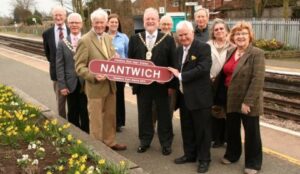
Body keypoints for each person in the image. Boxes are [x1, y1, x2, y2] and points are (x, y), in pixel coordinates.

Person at [75, 8, 126, 151]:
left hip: (110, 86)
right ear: (92, 23)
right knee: (96, 120)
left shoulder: (108, 38)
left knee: (110, 117)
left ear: (106, 23)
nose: (99, 25)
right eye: (96, 23)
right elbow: (79, 67)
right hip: (95, 88)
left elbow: (110, 59)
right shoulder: (84, 40)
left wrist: (116, 59)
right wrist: (93, 76)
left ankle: (110, 142)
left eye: (102, 23)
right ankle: (97, 149)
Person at [128, 7, 177, 156]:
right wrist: (133, 83)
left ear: (158, 22)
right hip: (143, 87)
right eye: (147, 19)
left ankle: (166, 143)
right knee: (144, 115)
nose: (150, 21)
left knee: (164, 116)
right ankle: (145, 141)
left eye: (153, 19)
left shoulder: (168, 39)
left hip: (162, 87)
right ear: (143, 22)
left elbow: (173, 64)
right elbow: (130, 63)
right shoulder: (135, 39)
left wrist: (171, 86)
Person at [219, 21, 265, 174]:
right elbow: (226, 72)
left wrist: (248, 102)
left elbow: (257, 79)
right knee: (232, 129)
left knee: (251, 132)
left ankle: (253, 163)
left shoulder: (256, 53)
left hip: (247, 100)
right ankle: (232, 155)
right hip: (230, 96)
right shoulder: (231, 51)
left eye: (244, 33)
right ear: (233, 37)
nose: (240, 36)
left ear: (250, 36)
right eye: (237, 34)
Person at [168, 20, 212, 173]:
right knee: (187, 128)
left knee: (202, 130)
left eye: (186, 34)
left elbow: (203, 68)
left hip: (200, 98)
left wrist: (180, 76)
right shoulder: (179, 50)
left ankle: (204, 159)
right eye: (180, 35)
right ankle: (190, 155)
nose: (183, 38)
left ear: (192, 33)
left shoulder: (203, 47)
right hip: (184, 97)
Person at [56, 13, 89, 133]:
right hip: (70, 84)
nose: (74, 25)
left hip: (86, 82)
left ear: (81, 24)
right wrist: (62, 85)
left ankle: (87, 136)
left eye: (77, 22)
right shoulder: (62, 43)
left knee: (85, 111)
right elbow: (59, 66)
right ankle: (75, 136)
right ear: (68, 24)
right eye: (72, 22)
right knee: (73, 111)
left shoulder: (87, 40)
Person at [207, 18, 232, 148]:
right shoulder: (207, 45)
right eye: (216, 29)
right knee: (214, 110)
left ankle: (227, 138)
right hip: (211, 82)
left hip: (227, 83)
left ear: (227, 30)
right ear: (213, 32)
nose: (219, 31)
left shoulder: (233, 46)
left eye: (222, 28)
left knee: (227, 110)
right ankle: (215, 138)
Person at [150, 14, 177, 129]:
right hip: (156, 78)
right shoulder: (154, 38)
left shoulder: (177, 39)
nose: (166, 26)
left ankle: (166, 128)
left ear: (172, 25)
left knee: (169, 106)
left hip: (172, 79)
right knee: (154, 106)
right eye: (164, 24)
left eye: (168, 24)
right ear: (160, 25)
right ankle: (151, 125)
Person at [42, 6, 69, 118]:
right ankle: (63, 123)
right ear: (53, 17)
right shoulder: (47, 34)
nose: (58, 17)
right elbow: (48, 54)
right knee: (61, 102)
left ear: (65, 16)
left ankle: (74, 124)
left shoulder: (72, 29)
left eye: (60, 15)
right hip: (57, 74)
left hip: (72, 72)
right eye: (55, 15)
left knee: (73, 102)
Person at [106, 13, 129, 133]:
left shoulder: (124, 37)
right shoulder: (103, 36)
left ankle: (119, 122)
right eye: (111, 22)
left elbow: (128, 54)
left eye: (116, 22)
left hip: (120, 72)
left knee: (119, 97)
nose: (114, 24)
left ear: (118, 24)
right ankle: (109, 121)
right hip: (107, 72)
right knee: (109, 97)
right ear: (107, 24)